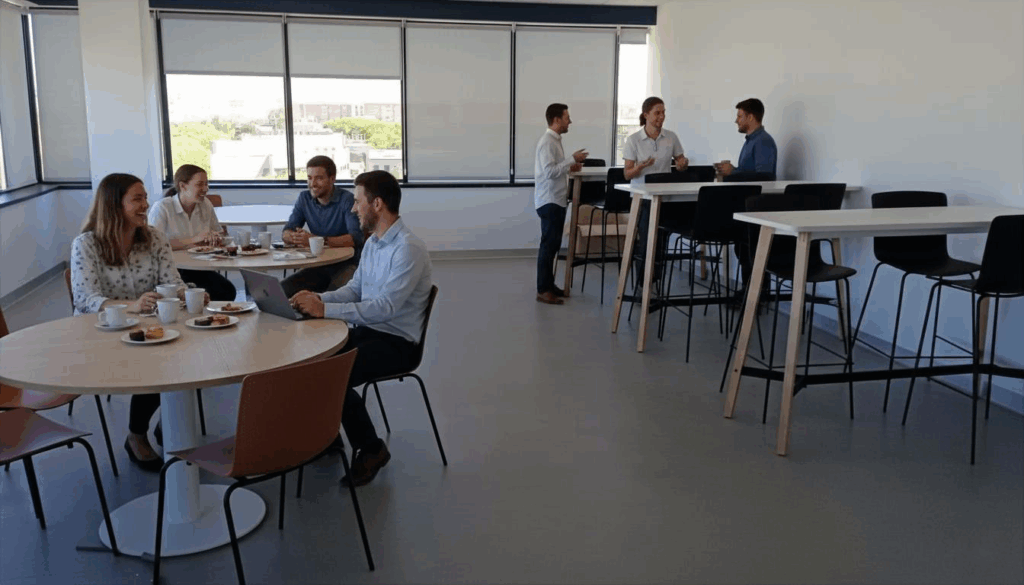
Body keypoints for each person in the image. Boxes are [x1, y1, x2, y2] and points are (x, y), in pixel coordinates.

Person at [290, 170, 433, 487]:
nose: (354, 208)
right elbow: (355, 290)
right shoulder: (373, 244)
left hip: (398, 343)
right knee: (313, 361)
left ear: (377, 204)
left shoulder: (408, 248)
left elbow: (385, 308)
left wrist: (324, 310)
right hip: (371, 331)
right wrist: (318, 298)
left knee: (331, 375)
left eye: (358, 201)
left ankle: (371, 449)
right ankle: (329, 438)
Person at [70, 173, 205, 472]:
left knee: (190, 351)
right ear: (114, 205)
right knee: (159, 363)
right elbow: (85, 299)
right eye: (137, 199)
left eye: (145, 197)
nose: (145, 205)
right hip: (100, 333)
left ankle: (168, 421)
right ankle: (137, 435)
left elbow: (172, 282)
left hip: (150, 329)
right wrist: (131, 306)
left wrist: (190, 294)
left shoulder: (154, 238)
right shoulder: (86, 244)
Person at [623, 97, 689, 282]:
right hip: (643, 198)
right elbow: (627, 174)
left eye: (663, 112)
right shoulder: (633, 140)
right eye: (657, 113)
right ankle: (643, 283)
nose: (662, 116)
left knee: (661, 240)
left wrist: (683, 164)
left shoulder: (671, 137)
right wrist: (640, 166)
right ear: (646, 115)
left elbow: (681, 162)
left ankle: (656, 280)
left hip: (664, 197)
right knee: (646, 240)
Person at [147, 164, 237, 301]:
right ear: (183, 186)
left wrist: (216, 238)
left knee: (227, 291)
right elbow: (153, 246)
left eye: (206, 184)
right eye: (200, 184)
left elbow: (219, 232)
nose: (205, 189)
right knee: (215, 293)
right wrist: (195, 239)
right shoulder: (162, 208)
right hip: (171, 271)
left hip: (200, 267)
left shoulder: (205, 204)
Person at [280, 155, 364, 297]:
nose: (312, 183)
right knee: (281, 290)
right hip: (319, 264)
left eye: (319, 178)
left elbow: (356, 238)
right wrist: (294, 237)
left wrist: (316, 240)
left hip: (348, 264)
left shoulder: (347, 200)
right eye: (309, 178)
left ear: (332, 179)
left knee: (329, 298)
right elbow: (287, 230)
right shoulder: (304, 198)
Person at [533, 103, 588, 305]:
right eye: (567, 118)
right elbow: (549, 172)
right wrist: (571, 160)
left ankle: (549, 286)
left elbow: (555, 168)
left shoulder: (554, 141)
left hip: (556, 200)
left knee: (553, 246)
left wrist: (569, 165)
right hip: (549, 201)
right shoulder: (547, 142)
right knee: (548, 247)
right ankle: (543, 290)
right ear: (556, 120)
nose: (569, 121)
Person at [714, 98, 778, 181]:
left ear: (750, 117)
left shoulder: (763, 141)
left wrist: (732, 171)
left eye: (739, 116)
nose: (736, 121)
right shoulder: (750, 141)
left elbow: (764, 177)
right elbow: (747, 173)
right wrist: (730, 172)